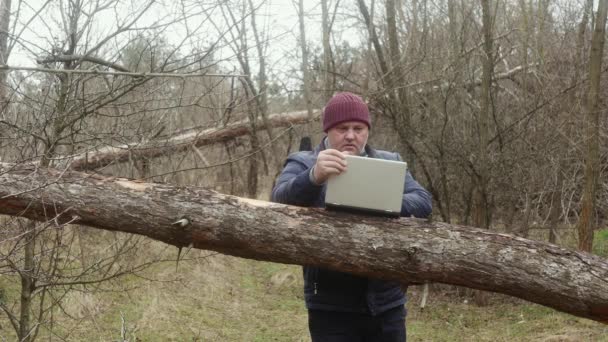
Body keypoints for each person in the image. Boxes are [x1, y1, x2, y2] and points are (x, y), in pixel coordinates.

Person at [271, 92, 432, 342]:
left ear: (367, 130)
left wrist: (383, 202)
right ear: (328, 130)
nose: (350, 135)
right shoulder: (304, 162)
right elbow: (278, 200)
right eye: (342, 128)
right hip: (330, 304)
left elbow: (422, 200)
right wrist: (314, 176)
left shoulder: (389, 162)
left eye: (358, 128)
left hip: (386, 303)